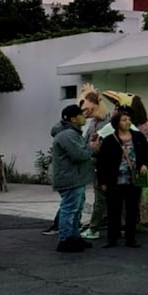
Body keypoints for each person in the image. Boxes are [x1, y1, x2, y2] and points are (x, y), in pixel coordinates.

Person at [96, 106, 148, 248]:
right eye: (124, 120)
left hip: (133, 178)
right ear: (117, 123)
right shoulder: (110, 140)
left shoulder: (138, 137)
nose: (127, 122)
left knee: (132, 209)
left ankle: (130, 238)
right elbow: (101, 161)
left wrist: (145, 164)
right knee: (114, 210)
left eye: (129, 120)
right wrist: (102, 181)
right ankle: (112, 238)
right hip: (114, 179)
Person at [51, 105, 99, 253]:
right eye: (81, 115)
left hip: (75, 177)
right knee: (70, 209)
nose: (84, 117)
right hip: (70, 178)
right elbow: (80, 155)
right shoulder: (67, 135)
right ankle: (65, 240)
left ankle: (74, 237)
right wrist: (92, 147)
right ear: (73, 119)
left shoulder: (72, 133)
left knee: (76, 209)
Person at [79, 86, 110, 240]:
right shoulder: (93, 123)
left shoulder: (108, 124)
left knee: (101, 198)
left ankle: (94, 227)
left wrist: (91, 149)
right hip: (95, 165)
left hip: (104, 166)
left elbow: (101, 147)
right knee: (101, 197)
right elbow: (85, 142)